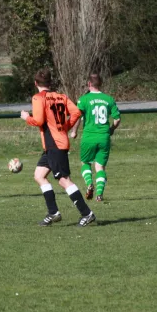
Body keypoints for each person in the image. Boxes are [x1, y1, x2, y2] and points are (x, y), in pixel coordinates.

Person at [20, 68, 96, 227]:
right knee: (39, 175)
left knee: (63, 180)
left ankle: (87, 213)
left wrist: (27, 117)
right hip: (53, 145)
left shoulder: (38, 98)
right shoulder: (61, 96)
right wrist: (64, 127)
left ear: (36, 83)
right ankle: (53, 212)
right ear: (50, 83)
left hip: (55, 144)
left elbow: (39, 120)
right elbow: (76, 112)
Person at [69, 73, 121, 202]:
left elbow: (76, 117)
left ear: (89, 84)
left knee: (85, 163)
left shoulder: (84, 99)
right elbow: (117, 119)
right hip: (104, 137)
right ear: (100, 84)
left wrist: (74, 131)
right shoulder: (109, 99)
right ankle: (99, 194)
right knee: (100, 167)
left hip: (89, 137)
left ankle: (89, 184)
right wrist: (112, 129)